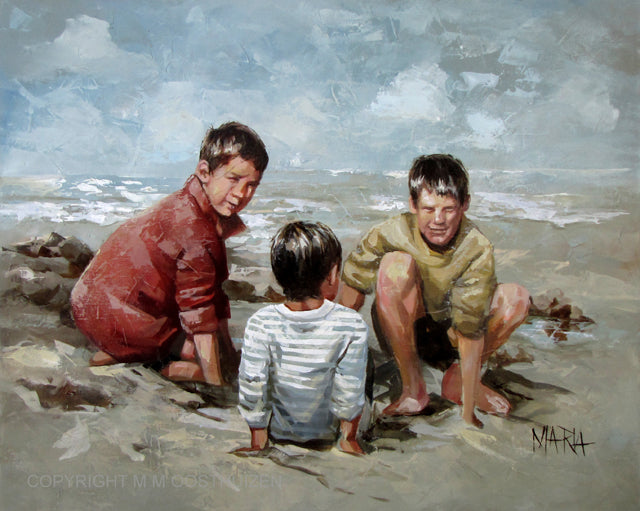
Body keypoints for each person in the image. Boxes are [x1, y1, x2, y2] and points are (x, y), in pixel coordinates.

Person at [339, 154, 530, 428]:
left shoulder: (476, 247)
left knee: (516, 298)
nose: (438, 220)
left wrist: (468, 410)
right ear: (413, 205)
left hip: (454, 336)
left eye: (449, 209)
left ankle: (459, 380)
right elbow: (354, 285)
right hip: (405, 331)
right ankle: (413, 389)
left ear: (465, 204)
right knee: (395, 265)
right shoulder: (390, 232)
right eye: (428, 209)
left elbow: (470, 327)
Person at [70, 121, 268, 385]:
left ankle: (123, 353)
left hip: (94, 306)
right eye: (233, 179)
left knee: (199, 336)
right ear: (204, 172)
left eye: (252, 185)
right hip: (117, 316)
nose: (241, 194)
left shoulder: (191, 207)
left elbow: (213, 295)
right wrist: (216, 381)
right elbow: (199, 309)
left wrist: (228, 354)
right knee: (193, 350)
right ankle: (159, 366)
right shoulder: (193, 227)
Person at [237, 222, 369, 454]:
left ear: (279, 275)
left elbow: (253, 385)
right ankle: (348, 438)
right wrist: (348, 438)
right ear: (332, 274)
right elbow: (350, 389)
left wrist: (258, 439)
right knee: (362, 370)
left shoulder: (261, 322)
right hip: (330, 434)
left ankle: (260, 439)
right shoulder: (350, 323)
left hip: (279, 433)